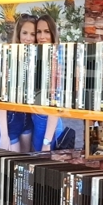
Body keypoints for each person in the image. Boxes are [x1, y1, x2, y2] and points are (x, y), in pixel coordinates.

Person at [0, 15, 37, 151]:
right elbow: (0, 97)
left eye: (32, 34)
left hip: (28, 118)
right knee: (12, 161)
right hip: (10, 119)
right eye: (25, 33)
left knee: (25, 161)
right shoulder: (8, 57)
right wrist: (4, 134)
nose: (28, 38)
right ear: (18, 34)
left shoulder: (36, 58)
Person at [32, 14, 70, 151]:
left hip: (48, 127)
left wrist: (47, 141)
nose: (42, 36)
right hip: (36, 121)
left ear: (53, 33)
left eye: (47, 31)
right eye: (39, 32)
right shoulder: (38, 54)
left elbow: (56, 102)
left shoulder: (57, 57)